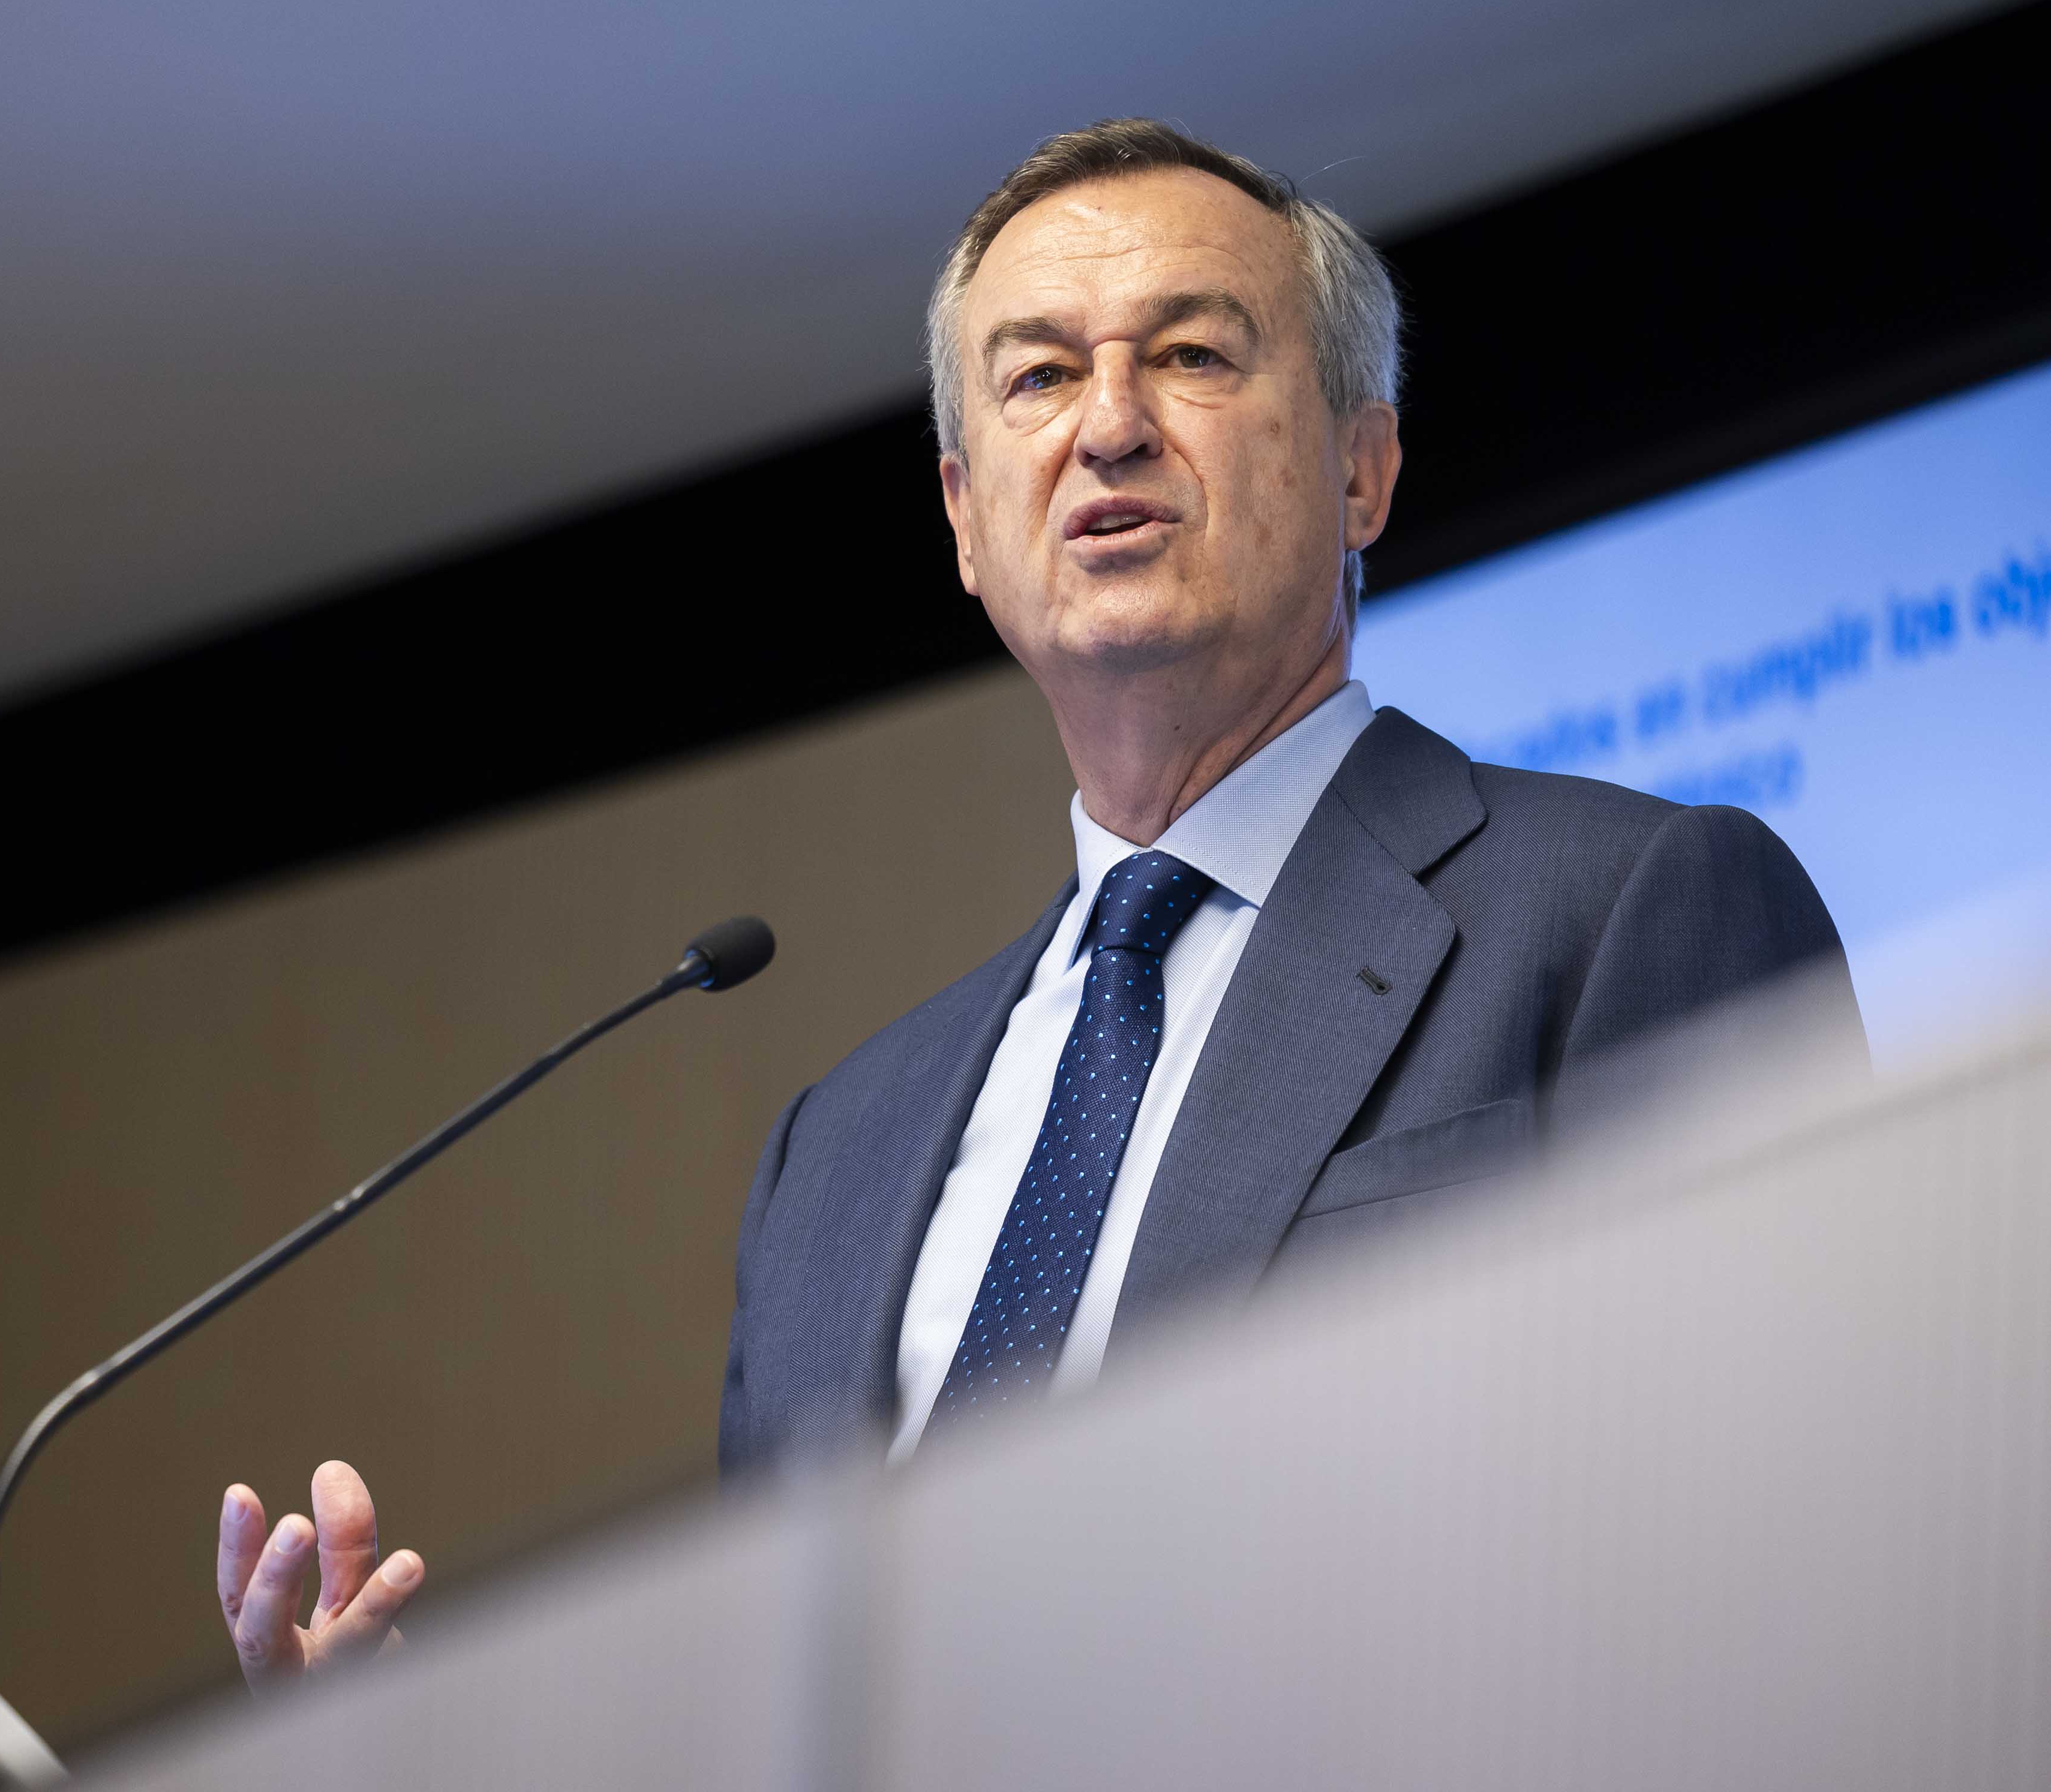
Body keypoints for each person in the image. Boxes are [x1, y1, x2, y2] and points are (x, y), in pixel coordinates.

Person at [212, 118, 1857, 1690]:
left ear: (1364, 472)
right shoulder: (833, 1158)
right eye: (1041, 376)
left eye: (1197, 357)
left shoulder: (1630, 907)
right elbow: (781, 1762)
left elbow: (1805, 1551)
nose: (1112, 424)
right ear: (965, 522)